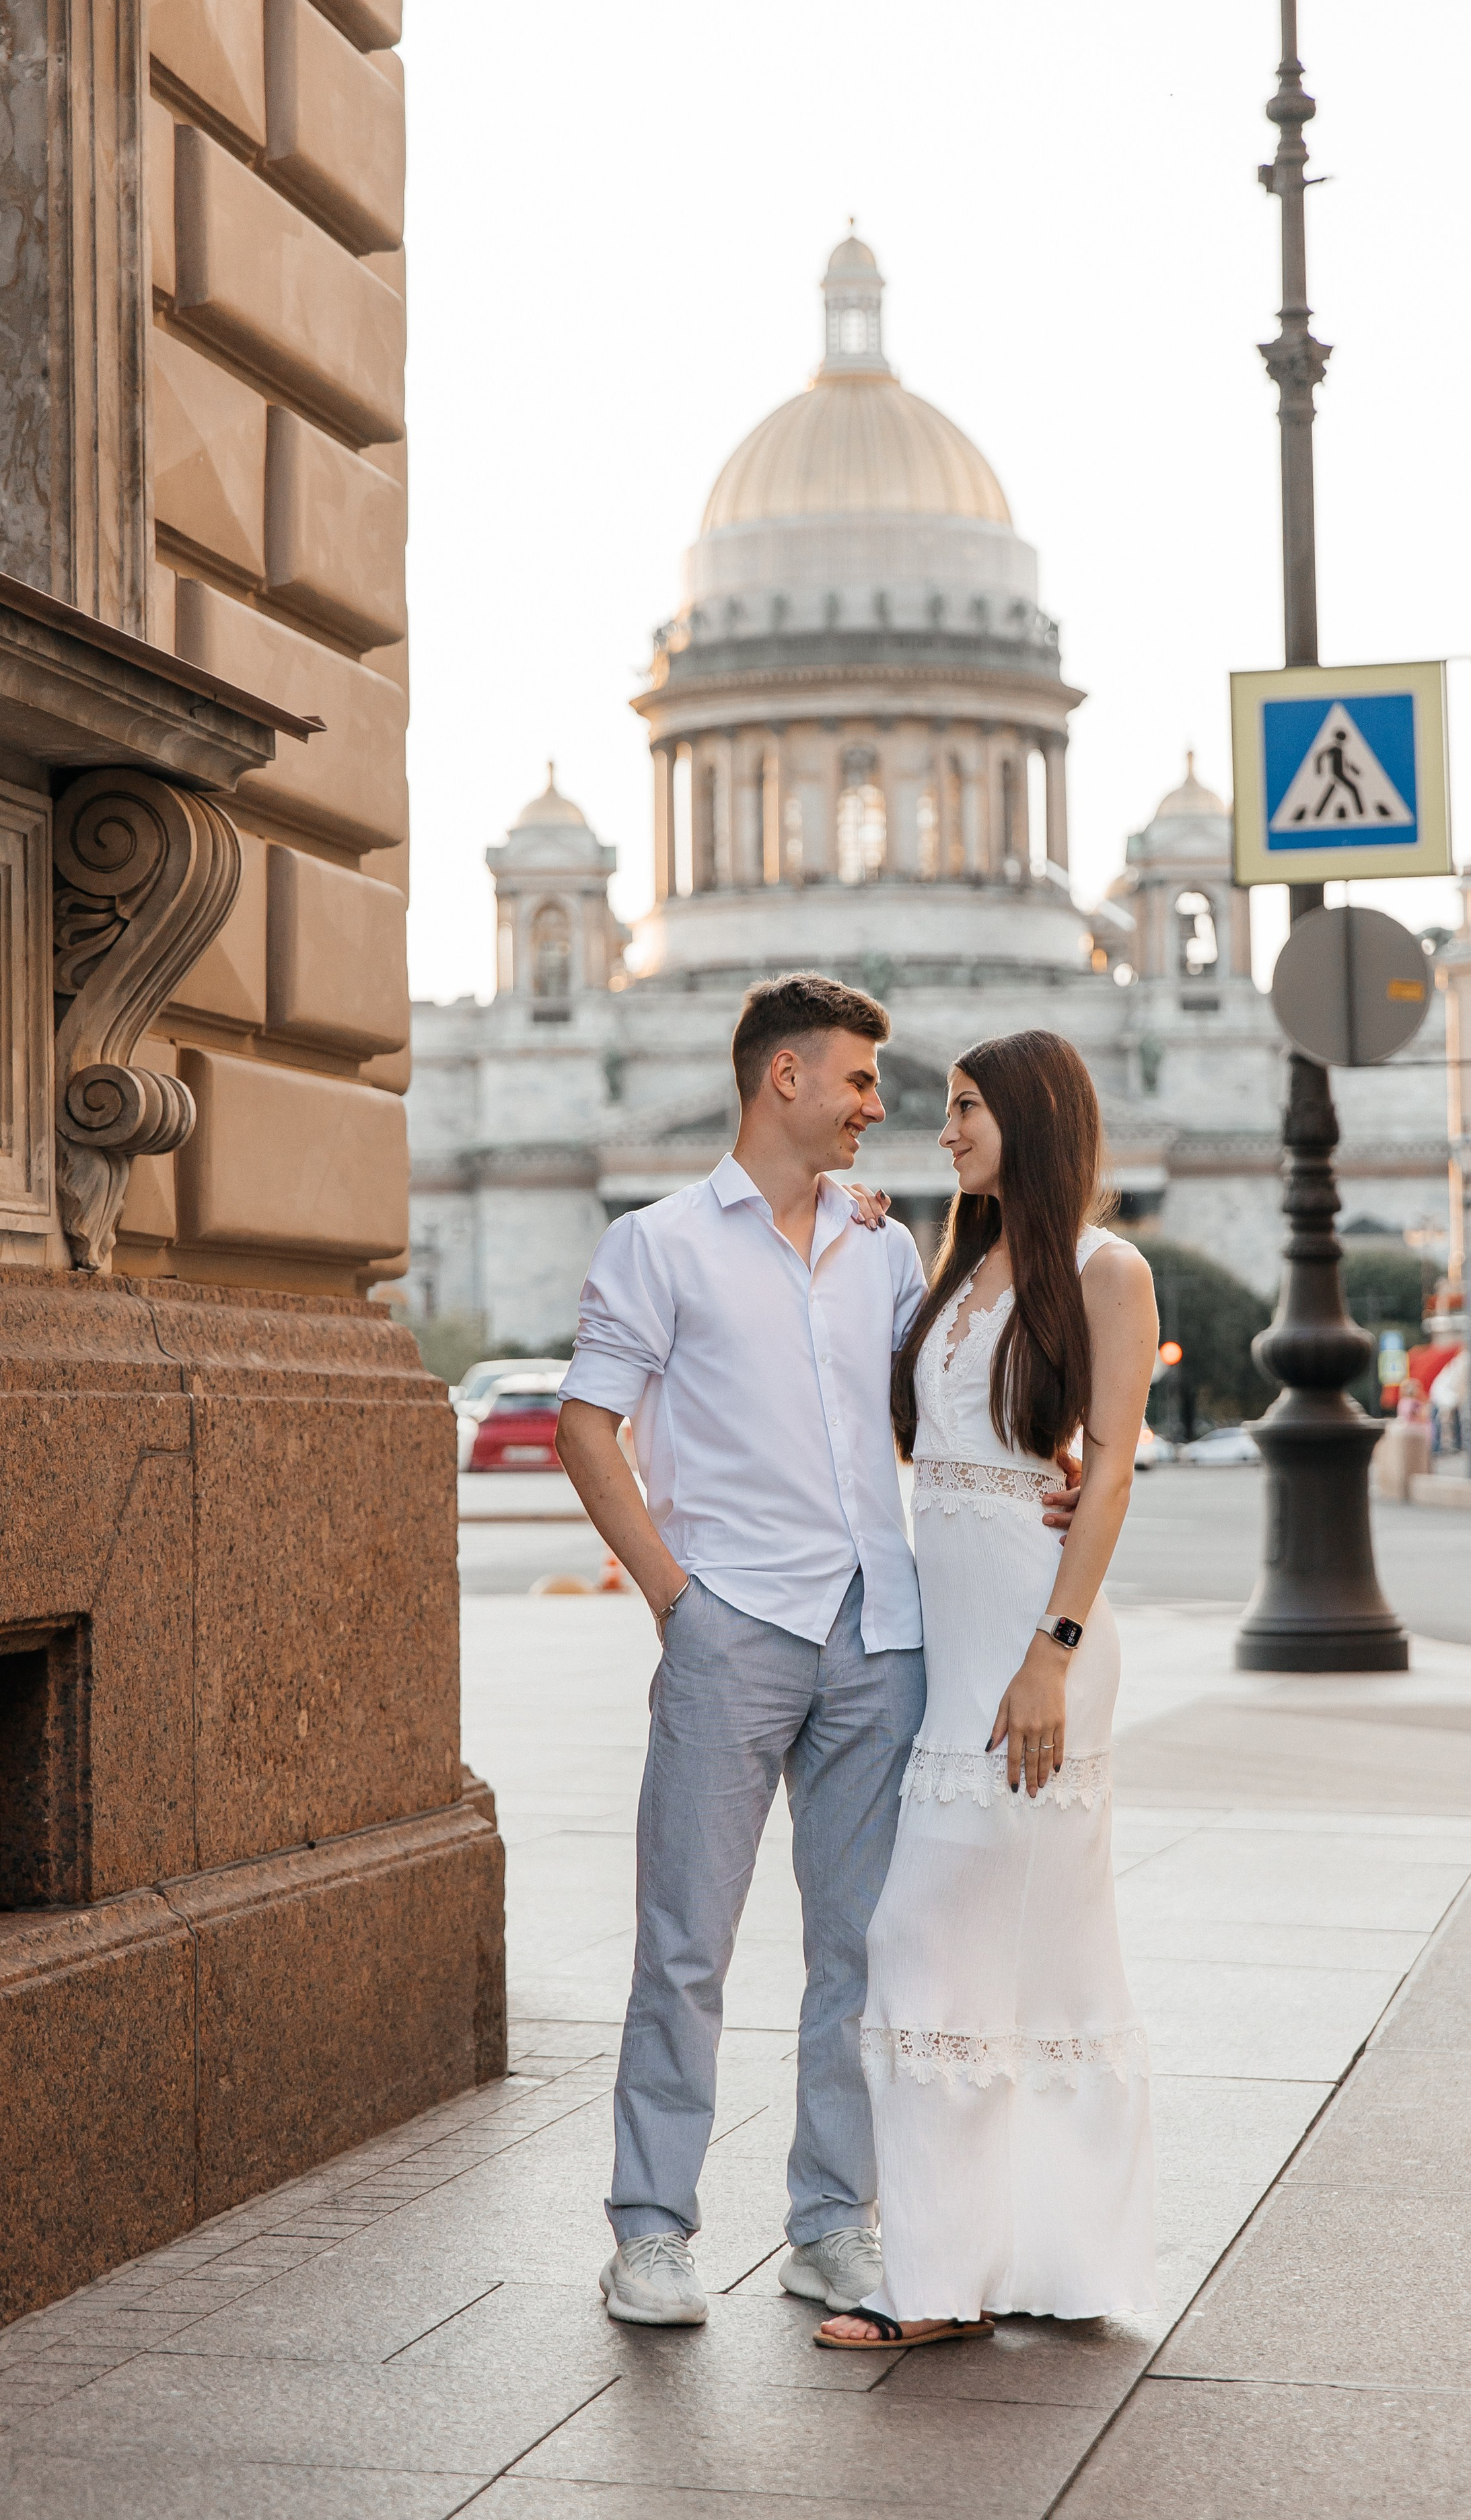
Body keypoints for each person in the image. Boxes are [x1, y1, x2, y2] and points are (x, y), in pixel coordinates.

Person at [553, 973, 1077, 2330]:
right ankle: (651, 2232)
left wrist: (1046, 1474)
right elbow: (585, 1427)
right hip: (733, 1627)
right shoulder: (656, 1244)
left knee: (860, 1946)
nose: (873, 1109)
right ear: (782, 1078)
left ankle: (833, 2221)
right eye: (855, 1081)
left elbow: (931, 1416)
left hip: (877, 1636)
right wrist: (677, 1600)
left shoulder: (882, 1248)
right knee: (686, 1945)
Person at [818, 1031, 1159, 2350]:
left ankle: (935, 2285)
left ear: (1028, 1114)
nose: (941, 1127)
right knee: (1013, 1964)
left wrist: (1050, 1654)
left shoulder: (1104, 1268)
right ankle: (1031, 2268)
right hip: (948, 1638)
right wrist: (850, 1239)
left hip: (1032, 1648)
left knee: (927, 1939)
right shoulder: (951, 1267)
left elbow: (1112, 1472)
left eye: (964, 1108)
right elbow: (920, 1436)